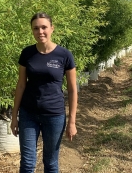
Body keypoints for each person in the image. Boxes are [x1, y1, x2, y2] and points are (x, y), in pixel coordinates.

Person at [11, 12, 78, 173]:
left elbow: (72, 89)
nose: (40, 31)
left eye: (44, 27)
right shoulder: (27, 53)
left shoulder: (64, 55)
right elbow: (21, 85)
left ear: (52, 29)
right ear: (32, 31)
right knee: (27, 163)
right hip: (28, 114)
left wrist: (72, 121)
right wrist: (14, 117)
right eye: (36, 28)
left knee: (50, 163)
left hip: (54, 115)